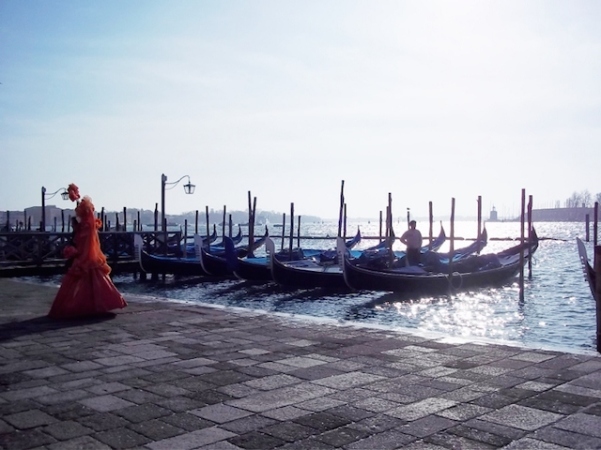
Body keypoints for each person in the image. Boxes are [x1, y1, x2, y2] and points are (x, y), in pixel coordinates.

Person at [48, 183, 127, 319]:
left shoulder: (85, 228)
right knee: (92, 280)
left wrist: (77, 252)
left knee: (84, 280)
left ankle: (87, 306)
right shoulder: (86, 227)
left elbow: (86, 244)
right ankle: (93, 306)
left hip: (85, 258)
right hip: (85, 257)